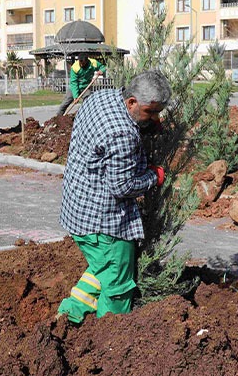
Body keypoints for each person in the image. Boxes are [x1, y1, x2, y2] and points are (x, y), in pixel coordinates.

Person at [57, 70, 170, 324]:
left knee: (102, 268)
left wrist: (146, 124)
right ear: (131, 102)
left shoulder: (101, 97)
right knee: (117, 282)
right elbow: (122, 186)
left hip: (78, 206)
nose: (156, 118)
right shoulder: (122, 134)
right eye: (151, 112)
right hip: (104, 222)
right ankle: (109, 339)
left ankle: (70, 314)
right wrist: (154, 176)